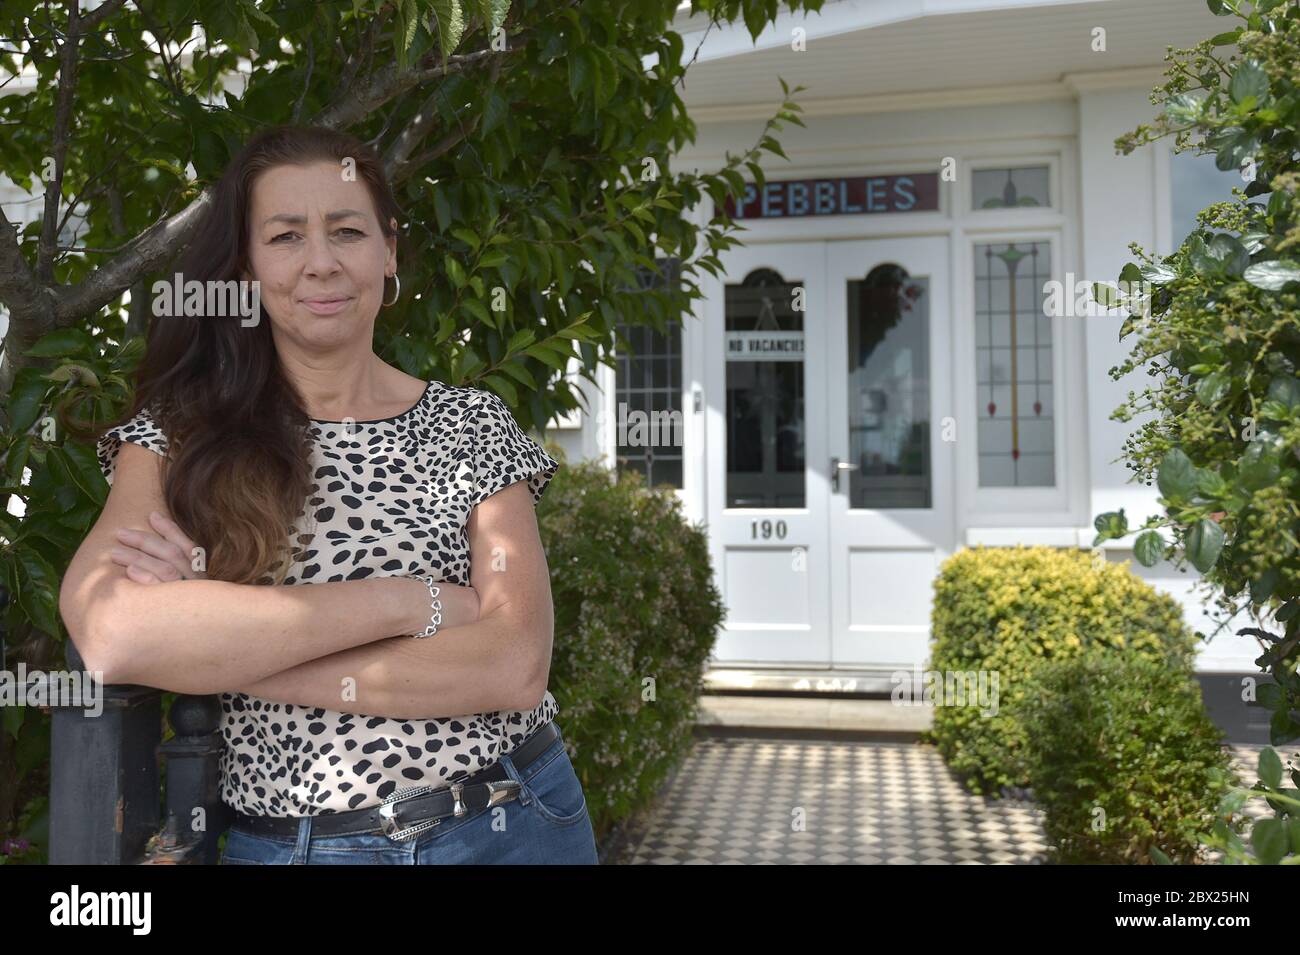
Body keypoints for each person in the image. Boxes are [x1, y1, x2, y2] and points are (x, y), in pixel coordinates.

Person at [57, 124, 598, 865]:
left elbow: (512, 665)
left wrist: (220, 649)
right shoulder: (179, 438)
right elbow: (113, 631)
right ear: (246, 267)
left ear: (389, 252)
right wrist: (413, 601)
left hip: (509, 823)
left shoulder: (472, 425)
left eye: (347, 231)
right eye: (285, 237)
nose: (321, 263)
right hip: (300, 848)